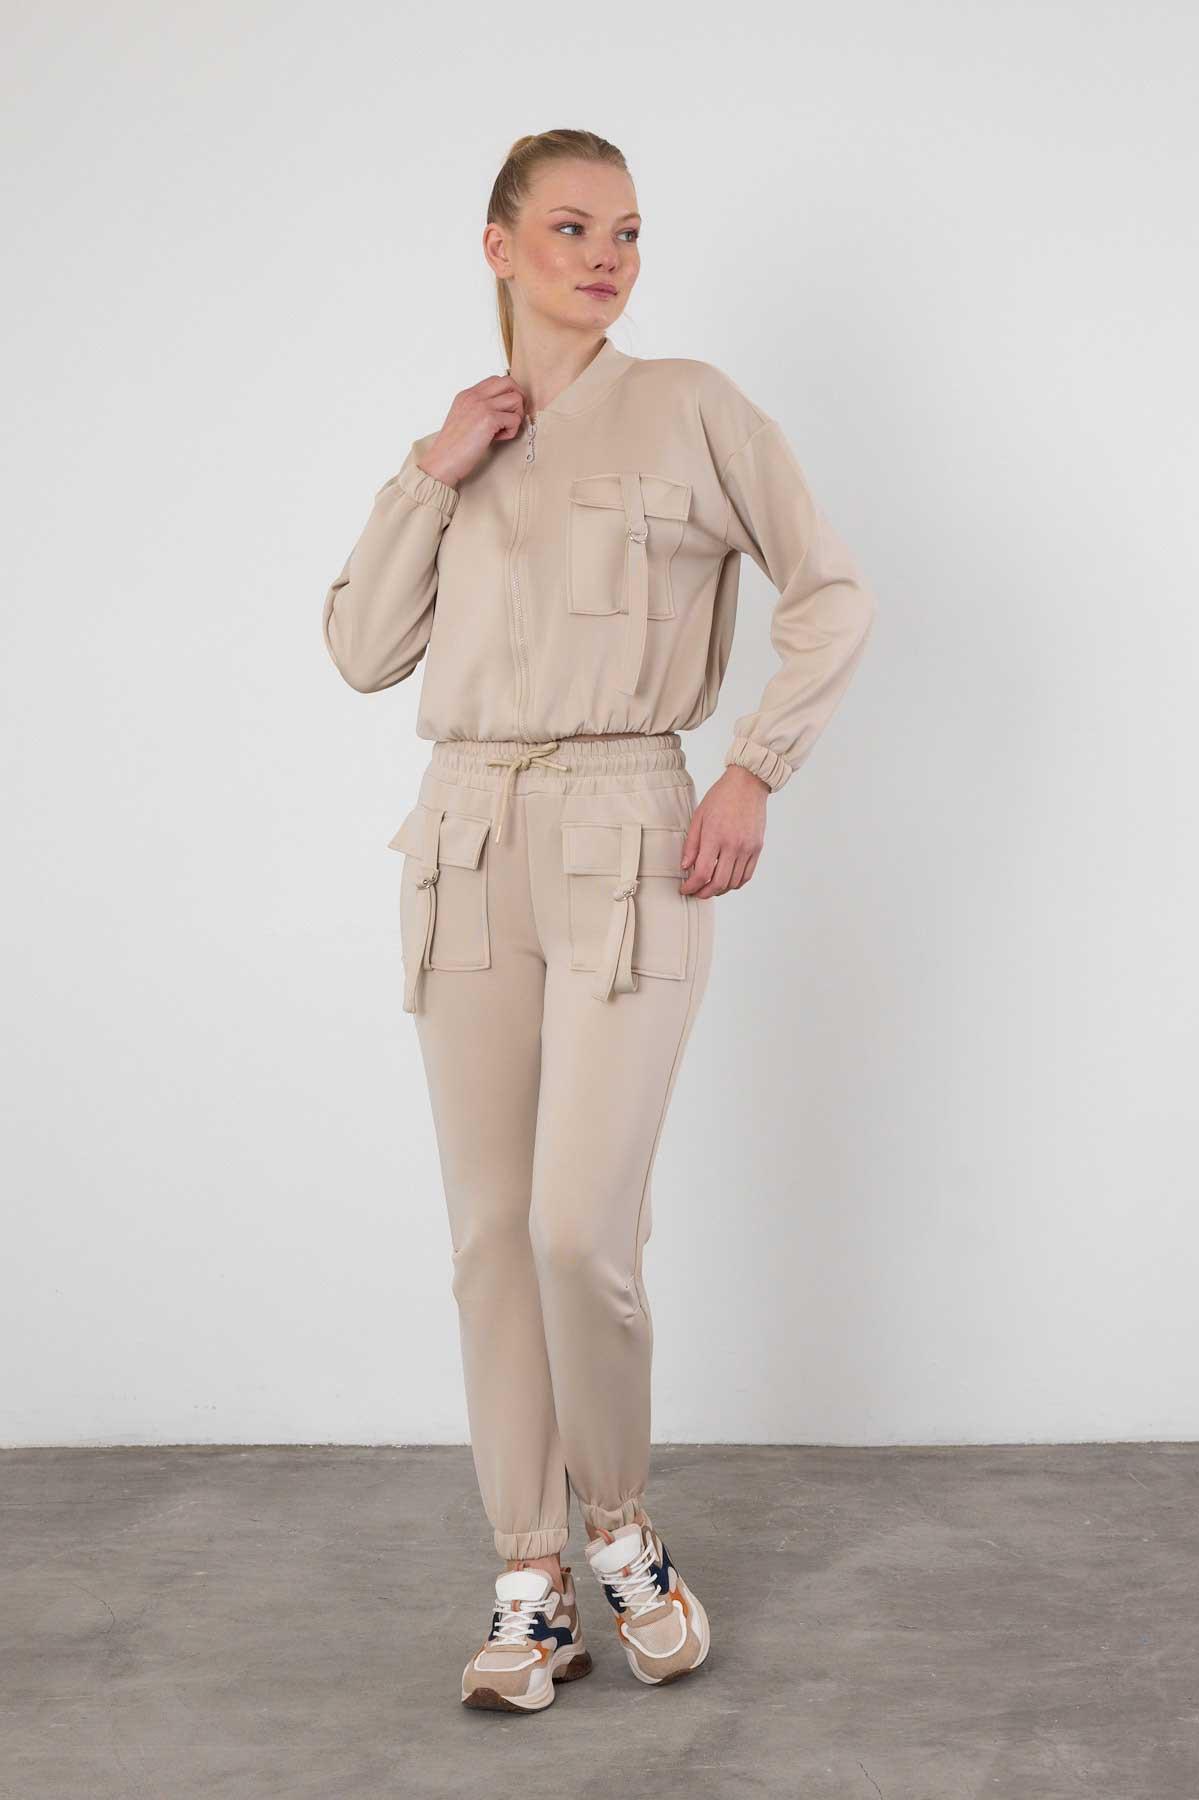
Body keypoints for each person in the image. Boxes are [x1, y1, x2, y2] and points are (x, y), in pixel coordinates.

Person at [321, 128, 876, 1713]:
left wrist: (755, 767)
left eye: (627, 231)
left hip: (632, 826)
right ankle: (530, 1579)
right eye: (571, 228)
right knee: (492, 1235)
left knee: (582, 1229)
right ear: (498, 246)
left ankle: (623, 1526)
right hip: (465, 836)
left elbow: (830, 592)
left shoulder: (692, 404)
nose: (607, 258)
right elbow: (361, 651)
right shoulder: (463, 443)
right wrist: (431, 470)